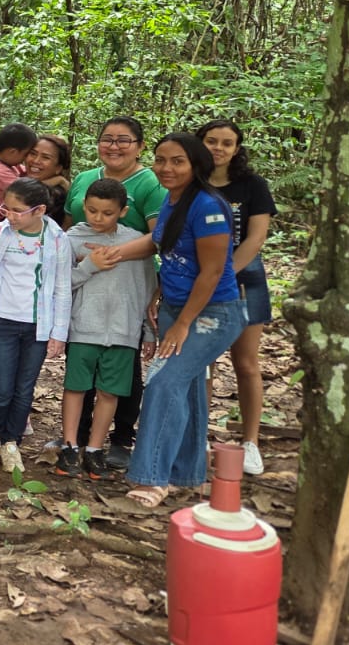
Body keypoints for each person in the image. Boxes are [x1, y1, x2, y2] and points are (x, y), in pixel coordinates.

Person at [105, 133, 245, 508]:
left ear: (196, 165)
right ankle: (185, 472)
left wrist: (183, 324)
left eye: (177, 161)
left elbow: (212, 272)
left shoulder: (209, 207)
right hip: (174, 307)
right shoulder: (171, 200)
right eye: (161, 160)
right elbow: (161, 246)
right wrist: (115, 256)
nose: (166, 168)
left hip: (211, 314)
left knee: (164, 382)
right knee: (187, 387)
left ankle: (152, 477)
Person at [63, 117, 167, 469]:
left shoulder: (150, 183)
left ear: (139, 145)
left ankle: (115, 440)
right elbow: (64, 249)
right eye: (107, 139)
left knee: (119, 380)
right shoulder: (83, 182)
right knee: (79, 380)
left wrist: (109, 255)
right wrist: (86, 263)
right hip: (85, 312)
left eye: (124, 140)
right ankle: (73, 442)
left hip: (125, 304)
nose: (114, 146)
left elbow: (157, 241)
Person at [0, 178, 73, 474]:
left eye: (17, 211)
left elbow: (62, 288)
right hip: (2, 319)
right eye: (7, 208)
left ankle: (12, 441)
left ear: (39, 210)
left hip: (37, 326)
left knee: (24, 388)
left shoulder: (57, 239)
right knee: (0, 385)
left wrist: (58, 333)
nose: (9, 215)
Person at [57, 178, 156, 480]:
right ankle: (70, 445)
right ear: (83, 206)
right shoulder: (71, 239)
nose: (98, 218)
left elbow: (146, 289)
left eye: (107, 213)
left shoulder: (137, 242)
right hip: (83, 327)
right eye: (92, 210)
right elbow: (60, 285)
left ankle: (95, 448)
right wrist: (89, 265)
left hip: (124, 331)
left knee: (110, 392)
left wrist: (148, 331)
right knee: (76, 387)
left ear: (123, 211)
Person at [198, 118, 276, 476]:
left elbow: (256, 238)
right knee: (203, 363)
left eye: (226, 143)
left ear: (236, 148)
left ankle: (250, 442)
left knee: (245, 363)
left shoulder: (252, 185)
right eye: (211, 141)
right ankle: (198, 437)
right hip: (198, 279)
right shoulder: (191, 181)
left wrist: (222, 275)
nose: (218, 148)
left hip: (244, 279)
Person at [0, 123, 38, 211]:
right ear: (13, 152)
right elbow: (30, 193)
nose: (26, 159)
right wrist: (56, 180)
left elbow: (28, 172)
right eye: (25, 155)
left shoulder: (6, 164)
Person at [25, 134, 73, 227]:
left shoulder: (54, 195)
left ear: (58, 168)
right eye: (33, 153)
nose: (36, 161)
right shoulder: (19, 175)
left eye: (45, 157)